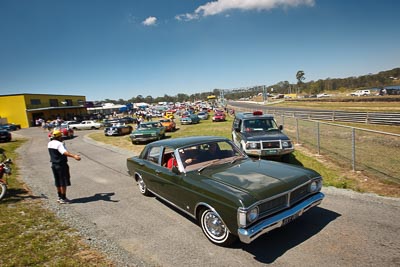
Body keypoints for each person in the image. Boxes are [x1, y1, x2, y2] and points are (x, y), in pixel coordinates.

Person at [48, 129, 81, 204]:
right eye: (61, 136)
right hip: (61, 165)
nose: (62, 137)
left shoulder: (50, 143)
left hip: (54, 164)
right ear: (59, 137)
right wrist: (74, 156)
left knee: (58, 181)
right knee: (63, 182)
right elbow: (64, 152)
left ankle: (59, 197)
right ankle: (63, 198)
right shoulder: (59, 144)